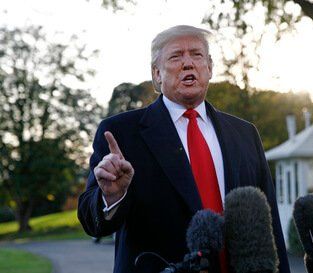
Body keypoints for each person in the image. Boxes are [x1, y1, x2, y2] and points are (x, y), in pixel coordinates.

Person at [77, 25, 290, 273]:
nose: (188, 63)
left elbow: (269, 223)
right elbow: (91, 221)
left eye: (197, 55)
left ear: (209, 68)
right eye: (176, 56)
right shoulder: (120, 133)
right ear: (156, 74)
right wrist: (112, 197)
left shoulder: (245, 134)